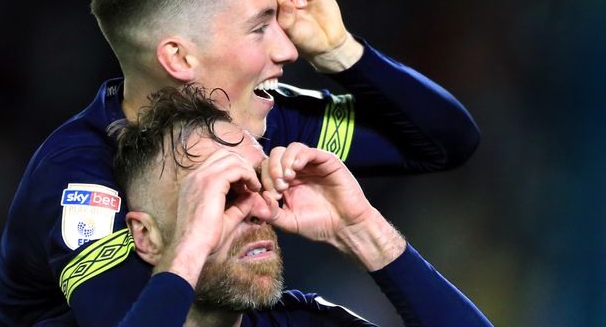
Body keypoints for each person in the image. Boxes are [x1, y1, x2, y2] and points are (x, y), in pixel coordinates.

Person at [0, 0, 480, 326]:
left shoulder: (259, 118)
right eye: (259, 28)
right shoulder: (78, 178)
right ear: (179, 59)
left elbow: (444, 142)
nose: (289, 47)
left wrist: (340, 52)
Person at [112, 85, 492, 327]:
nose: (258, 209)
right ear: (146, 237)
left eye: (258, 182)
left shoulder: (303, 322)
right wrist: (190, 249)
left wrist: (362, 231)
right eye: (223, 194)